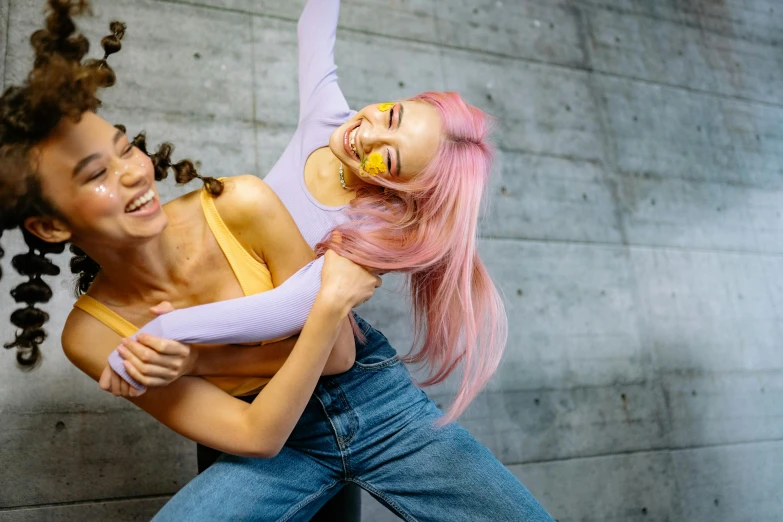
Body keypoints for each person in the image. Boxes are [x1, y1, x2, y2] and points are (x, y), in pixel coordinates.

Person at [91, 0, 556, 520]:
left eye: (390, 158)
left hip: (364, 399)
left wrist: (168, 330)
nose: (368, 135)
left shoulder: (380, 225)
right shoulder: (329, 117)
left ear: (400, 187)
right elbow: (314, 28)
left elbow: (287, 308)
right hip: (261, 402)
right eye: (391, 115)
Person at [0, 1, 378, 519]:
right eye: (96, 175)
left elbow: (338, 358)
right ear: (50, 226)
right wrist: (308, 325)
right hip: (237, 447)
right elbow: (252, 433)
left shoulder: (239, 203)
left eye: (124, 147)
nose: (134, 172)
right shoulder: (90, 335)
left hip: (332, 415)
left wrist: (200, 360)